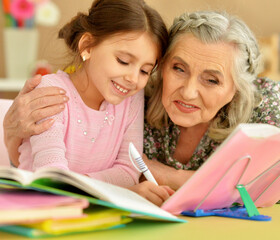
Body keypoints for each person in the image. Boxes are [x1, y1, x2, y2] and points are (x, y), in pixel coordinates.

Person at [3, 11, 280, 204]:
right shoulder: (135, 93)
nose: (188, 91)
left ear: (235, 89)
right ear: (162, 67)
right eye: (178, 69)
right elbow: (49, 172)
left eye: (211, 79)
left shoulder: (259, 99)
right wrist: (11, 133)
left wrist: (175, 178)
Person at [8, 0, 174, 206]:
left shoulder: (131, 98)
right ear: (87, 46)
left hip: (90, 213)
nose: (133, 78)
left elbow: (128, 171)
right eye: (123, 60)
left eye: (144, 70)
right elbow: (52, 181)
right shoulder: (49, 91)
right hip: (40, 211)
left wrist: (101, 187)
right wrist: (122, 192)